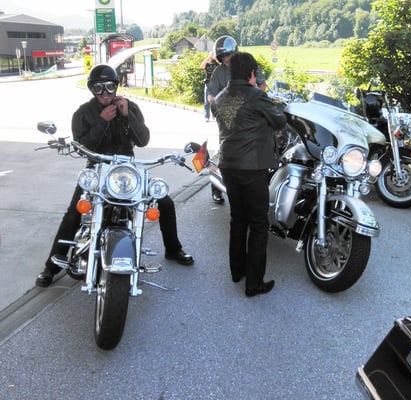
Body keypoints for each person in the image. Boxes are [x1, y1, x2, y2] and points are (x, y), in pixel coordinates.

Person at [35, 64, 194, 288]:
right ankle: (51, 267)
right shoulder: (82, 113)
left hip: (128, 169)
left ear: (116, 86)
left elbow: (143, 140)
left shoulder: (130, 107)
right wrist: (102, 122)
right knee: (74, 213)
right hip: (98, 168)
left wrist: (128, 115)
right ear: (92, 89)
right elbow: (82, 147)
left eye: (109, 87)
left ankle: (173, 248)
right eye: (98, 88)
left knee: (165, 202)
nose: (105, 93)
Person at [213, 52, 287, 297]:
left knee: (238, 219)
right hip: (252, 168)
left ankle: (237, 272)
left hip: (227, 165)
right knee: (258, 223)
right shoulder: (257, 96)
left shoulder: (220, 98)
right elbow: (279, 121)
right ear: (252, 73)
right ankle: (254, 283)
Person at [207, 35, 267, 205]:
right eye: (223, 56)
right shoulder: (219, 72)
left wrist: (255, 97)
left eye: (228, 55)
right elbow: (211, 93)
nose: (226, 59)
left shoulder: (248, 65)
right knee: (224, 148)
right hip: (229, 116)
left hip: (249, 114)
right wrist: (214, 101)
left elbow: (262, 85)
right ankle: (216, 188)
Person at [199, 52, 219, 122]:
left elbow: (222, 66)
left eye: (214, 55)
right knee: (206, 101)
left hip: (216, 84)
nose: (212, 56)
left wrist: (216, 59)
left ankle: (215, 115)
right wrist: (208, 58)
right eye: (212, 55)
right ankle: (206, 116)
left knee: (216, 100)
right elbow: (201, 66)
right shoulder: (207, 64)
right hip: (208, 83)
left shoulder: (217, 64)